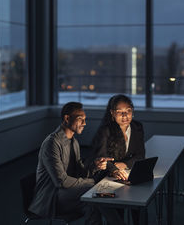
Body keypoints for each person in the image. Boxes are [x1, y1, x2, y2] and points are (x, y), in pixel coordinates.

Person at [29, 101, 126, 225]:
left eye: (85, 119)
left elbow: (80, 172)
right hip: (51, 198)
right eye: (80, 119)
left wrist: (94, 167)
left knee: (95, 202)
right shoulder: (52, 143)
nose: (84, 123)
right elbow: (61, 181)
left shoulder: (73, 141)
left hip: (68, 193)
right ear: (67, 118)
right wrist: (91, 182)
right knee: (95, 193)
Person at [90, 94, 145, 225]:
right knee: (117, 204)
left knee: (139, 201)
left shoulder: (137, 127)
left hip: (127, 172)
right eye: (120, 112)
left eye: (128, 111)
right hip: (105, 175)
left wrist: (125, 163)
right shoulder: (106, 131)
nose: (125, 116)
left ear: (133, 111)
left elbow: (140, 155)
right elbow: (100, 158)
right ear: (112, 113)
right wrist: (114, 169)